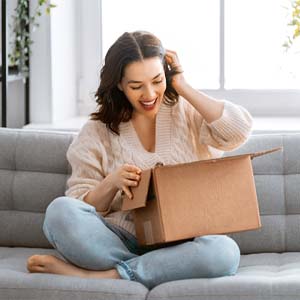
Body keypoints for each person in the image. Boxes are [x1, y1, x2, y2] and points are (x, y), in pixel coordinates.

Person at [26, 30, 253, 289]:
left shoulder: (185, 110)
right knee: (59, 212)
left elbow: (238, 131)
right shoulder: (96, 131)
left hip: (185, 242)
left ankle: (106, 276)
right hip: (119, 240)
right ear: (120, 84)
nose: (149, 94)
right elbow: (78, 203)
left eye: (157, 80)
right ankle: (154, 269)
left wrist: (182, 86)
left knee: (224, 252)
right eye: (136, 86)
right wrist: (111, 183)